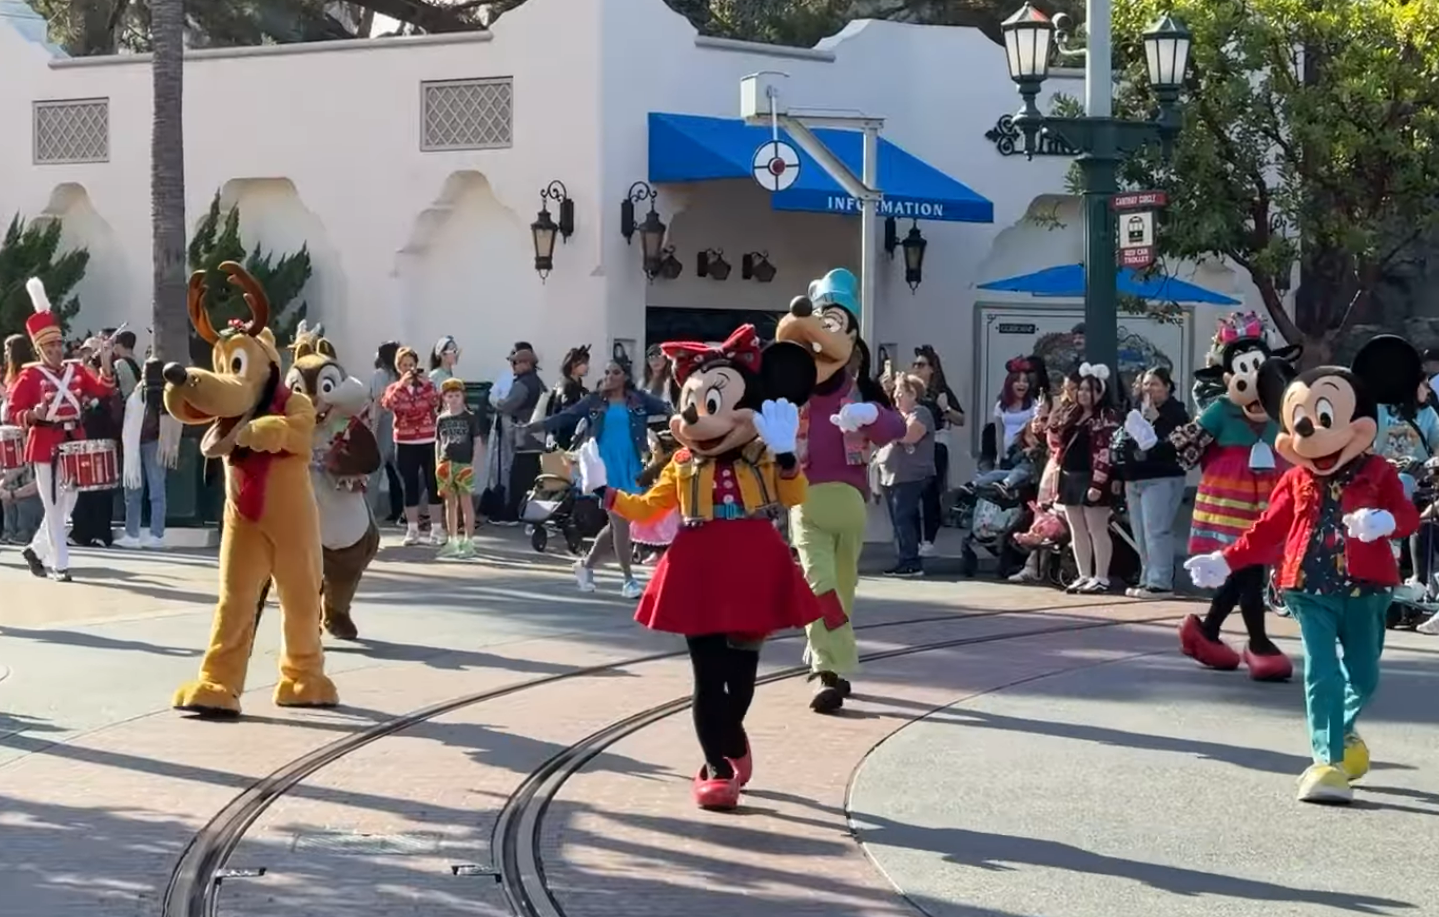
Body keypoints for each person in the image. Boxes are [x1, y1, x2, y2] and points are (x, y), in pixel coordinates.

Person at [572, 324, 821, 809]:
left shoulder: (764, 453)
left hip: (752, 557)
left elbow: (795, 496)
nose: (696, 417)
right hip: (699, 561)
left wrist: (788, 458)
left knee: (742, 675)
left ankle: (732, 738)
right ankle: (715, 766)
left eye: (712, 404)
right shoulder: (682, 463)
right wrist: (604, 492)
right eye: (691, 404)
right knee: (707, 676)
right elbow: (647, 509)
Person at [1185, 335, 1419, 804]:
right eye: (1300, 422)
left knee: (1364, 676)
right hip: (1308, 587)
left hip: (1367, 589)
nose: (1312, 433)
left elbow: (1408, 517)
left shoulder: (1379, 473)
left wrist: (1386, 521)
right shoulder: (1295, 478)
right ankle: (1325, 762)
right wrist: (1224, 560)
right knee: (1321, 673)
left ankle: (1343, 730)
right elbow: (1267, 530)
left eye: (1324, 419)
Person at [773, 270, 905, 713]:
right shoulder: (793, 394)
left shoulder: (860, 391)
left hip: (849, 503)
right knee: (819, 584)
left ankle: (824, 652)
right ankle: (828, 671)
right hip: (805, 502)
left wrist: (870, 413)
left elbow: (896, 429)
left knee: (843, 588)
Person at [1172, 314, 1301, 680]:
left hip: (1269, 504)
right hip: (1230, 506)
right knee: (1247, 569)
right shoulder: (1220, 411)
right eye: (1242, 369)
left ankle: (1208, 631)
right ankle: (1257, 642)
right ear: (1227, 377)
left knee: (1248, 570)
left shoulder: (1280, 410)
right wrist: (1153, 443)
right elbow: (1187, 446)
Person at [2, 278, 117, 581]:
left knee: (68, 504)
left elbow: (103, 389)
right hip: (44, 443)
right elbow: (13, 412)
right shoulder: (29, 377)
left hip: (73, 441)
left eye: (58, 344)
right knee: (53, 506)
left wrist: (105, 362)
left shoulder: (75, 369)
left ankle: (36, 550)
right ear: (39, 348)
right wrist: (33, 413)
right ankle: (61, 565)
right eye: (50, 346)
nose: (56, 349)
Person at [535, 357, 672, 598]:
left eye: (615, 372)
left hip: (631, 466)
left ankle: (586, 566)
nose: (609, 376)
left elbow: (666, 408)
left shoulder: (638, 399)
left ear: (625, 377)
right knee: (620, 523)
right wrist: (532, 427)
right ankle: (629, 580)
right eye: (607, 372)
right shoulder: (595, 401)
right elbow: (565, 416)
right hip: (604, 468)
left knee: (619, 524)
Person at [1118, 366, 1191, 597]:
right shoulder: (1135, 410)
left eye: (1155, 384)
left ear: (1168, 387)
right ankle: (1147, 577)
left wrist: (1159, 419)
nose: (1149, 388)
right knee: (1140, 532)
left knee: (1156, 530)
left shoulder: (1177, 412)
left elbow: (1178, 444)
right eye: (1146, 384)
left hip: (1162, 477)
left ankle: (1160, 582)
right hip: (1135, 478)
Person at [1050, 364, 1118, 594]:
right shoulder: (1073, 413)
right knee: (1076, 528)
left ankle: (1101, 577)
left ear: (1101, 392)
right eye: (1081, 389)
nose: (1083, 394)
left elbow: (1105, 452)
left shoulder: (1106, 417)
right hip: (1070, 476)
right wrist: (1047, 422)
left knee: (1097, 529)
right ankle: (1084, 575)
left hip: (1092, 478)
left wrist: (1098, 483)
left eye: (1090, 390)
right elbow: (1056, 441)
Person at [380, 346, 445, 546]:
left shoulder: (428, 385)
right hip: (405, 441)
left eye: (412, 365)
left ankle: (436, 529)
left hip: (427, 439)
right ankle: (412, 529)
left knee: (433, 484)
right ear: (398, 367)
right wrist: (402, 386)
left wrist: (426, 385)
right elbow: (388, 404)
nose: (409, 369)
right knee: (410, 485)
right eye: (404, 365)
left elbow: (435, 401)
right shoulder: (394, 388)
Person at [874, 374, 935, 577]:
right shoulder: (897, 415)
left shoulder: (921, 413)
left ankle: (911, 561)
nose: (897, 395)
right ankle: (904, 558)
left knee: (903, 517)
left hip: (911, 475)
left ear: (913, 394)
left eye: (901, 392)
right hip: (891, 476)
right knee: (898, 519)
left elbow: (911, 436)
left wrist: (889, 433)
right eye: (896, 392)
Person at [911, 345, 962, 556]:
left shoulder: (941, 391)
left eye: (921, 365)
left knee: (931, 492)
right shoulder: (910, 390)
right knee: (912, 493)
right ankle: (913, 539)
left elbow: (961, 419)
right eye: (914, 364)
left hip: (936, 445)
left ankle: (929, 540)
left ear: (932, 368)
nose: (916, 368)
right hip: (913, 445)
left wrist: (945, 408)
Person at [487, 342, 546, 524]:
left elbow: (507, 406)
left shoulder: (522, 385)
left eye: (516, 363)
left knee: (518, 478)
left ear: (526, 364)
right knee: (532, 477)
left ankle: (512, 513)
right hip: (537, 437)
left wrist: (494, 400)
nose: (513, 366)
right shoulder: (538, 382)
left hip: (523, 436)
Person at [119, 356, 169, 548]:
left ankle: (138, 534)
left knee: (137, 491)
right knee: (153, 490)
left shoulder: (142, 392)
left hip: (144, 444)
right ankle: (151, 534)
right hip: (148, 443)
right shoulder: (160, 392)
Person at [435, 378, 484, 558]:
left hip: (464, 464)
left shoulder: (470, 418)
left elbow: (478, 442)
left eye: (457, 395)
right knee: (450, 503)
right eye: (450, 396)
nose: (454, 399)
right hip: (446, 464)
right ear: (444, 398)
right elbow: (438, 442)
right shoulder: (441, 419)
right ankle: (452, 540)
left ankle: (469, 541)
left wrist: (473, 464)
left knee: (466, 503)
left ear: (463, 397)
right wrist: (437, 463)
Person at [368, 341, 404, 525]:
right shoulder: (399, 376)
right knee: (402, 471)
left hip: (384, 424)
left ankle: (368, 513)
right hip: (400, 425)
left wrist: (372, 431)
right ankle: (412, 511)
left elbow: (377, 404)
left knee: (375, 470)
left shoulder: (379, 375)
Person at [539, 345, 591, 450]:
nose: (587, 367)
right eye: (584, 363)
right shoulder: (567, 386)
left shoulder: (577, 386)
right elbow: (565, 413)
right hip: (564, 437)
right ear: (573, 365)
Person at [993, 358, 1038, 452]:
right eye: (1017, 381)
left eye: (1025, 381)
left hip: (1025, 452)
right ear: (1010, 384)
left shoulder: (1034, 405)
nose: (1022, 384)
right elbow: (999, 435)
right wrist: (1000, 458)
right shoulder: (1000, 406)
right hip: (1006, 452)